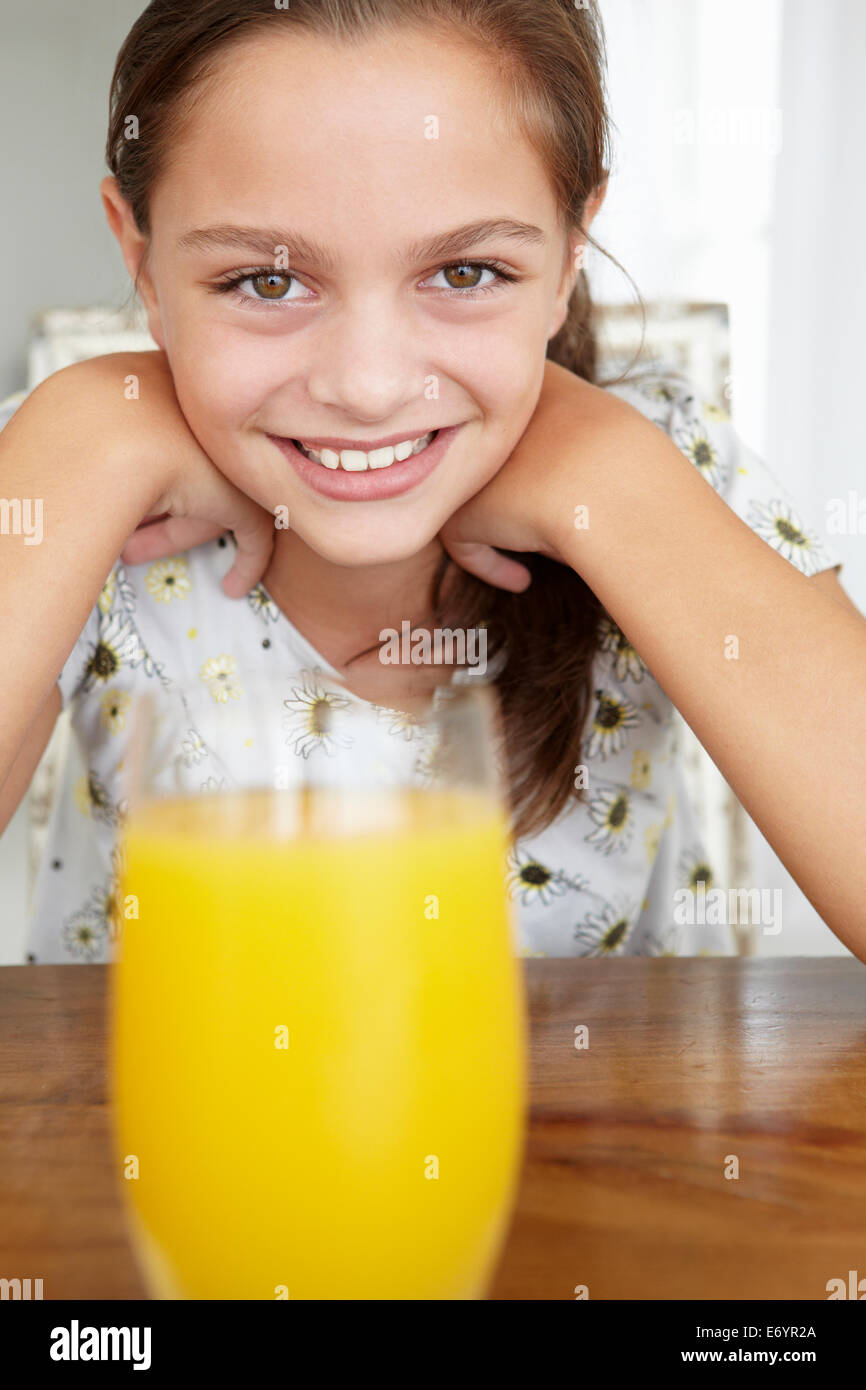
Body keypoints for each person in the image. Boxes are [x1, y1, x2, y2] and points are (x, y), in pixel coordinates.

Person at [1, 0, 864, 963]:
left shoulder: (668, 463)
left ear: (571, 252)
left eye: (465, 272)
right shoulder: (62, 485)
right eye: (268, 282)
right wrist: (84, 431)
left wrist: (610, 483)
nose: (369, 389)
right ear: (143, 261)